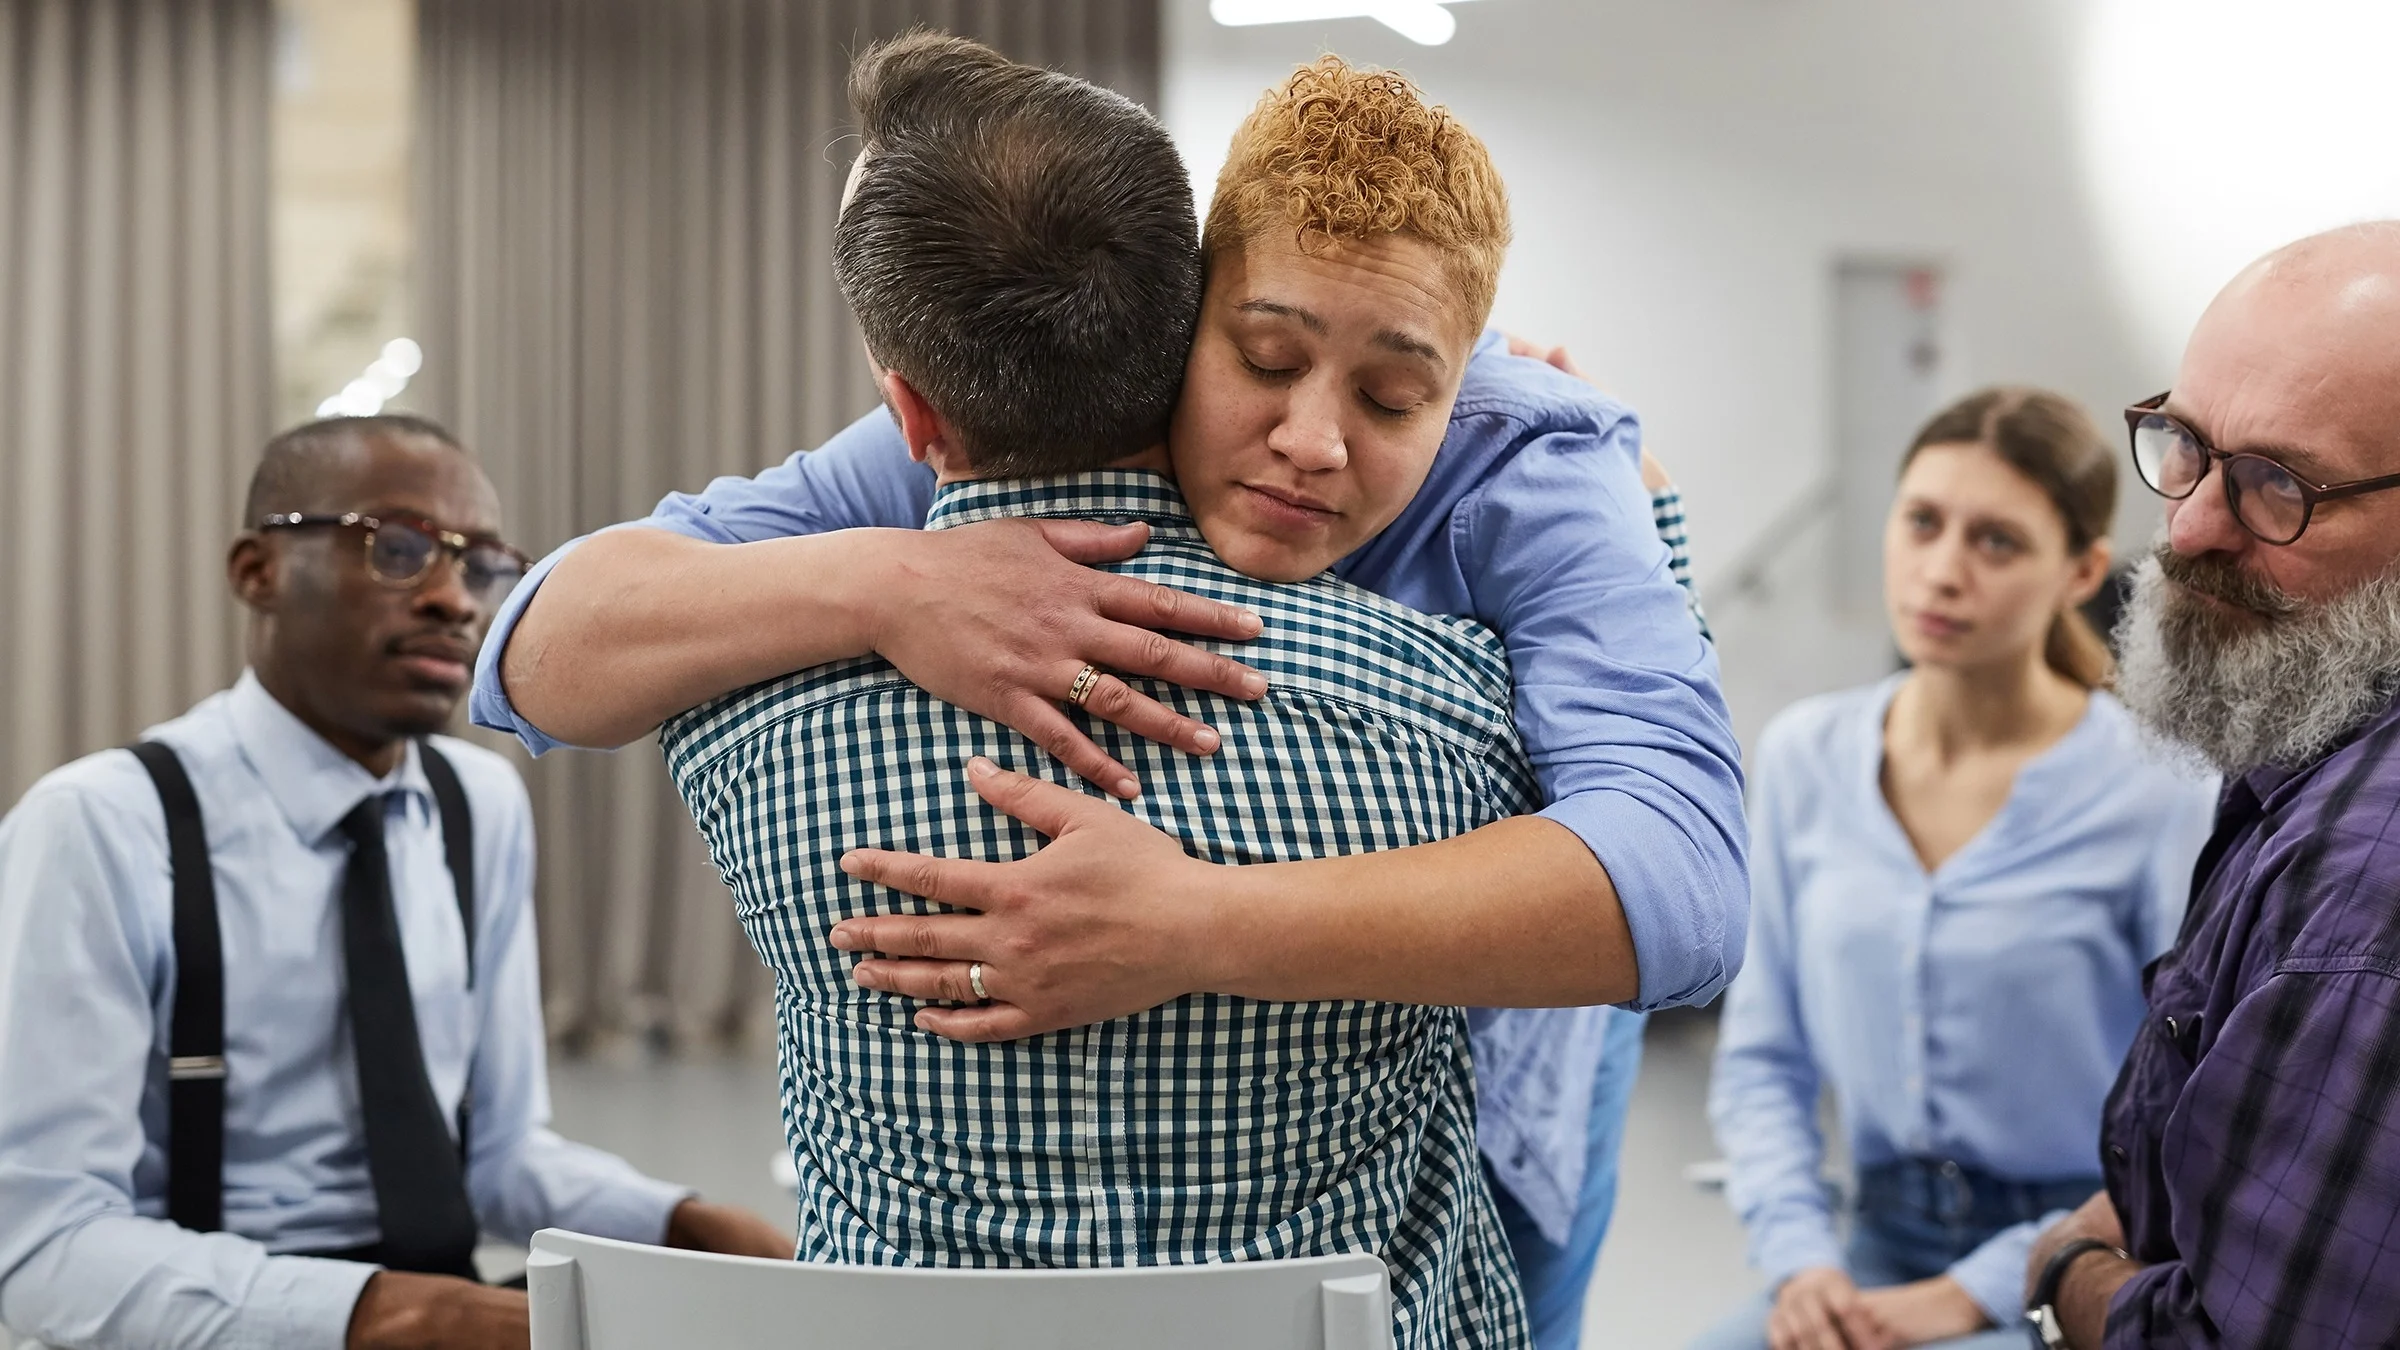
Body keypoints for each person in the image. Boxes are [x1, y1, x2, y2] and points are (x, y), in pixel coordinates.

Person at [474, 42, 1742, 1349]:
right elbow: (536, 651)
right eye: (1261, 360)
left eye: (1393, 397)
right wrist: (886, 583)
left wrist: (1196, 920)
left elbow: (1686, 884)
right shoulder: (1072, 387)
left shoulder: (1534, 465)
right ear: (1182, 313)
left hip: (1506, 1052)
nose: (1313, 439)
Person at [659, 36, 1545, 1349]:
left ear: (909, 412)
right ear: (1183, 330)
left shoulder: (733, 717)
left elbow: (568, 632)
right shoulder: (1450, 708)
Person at [0, 416, 790, 1350]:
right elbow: (44, 1250)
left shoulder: (479, 804)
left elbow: (496, 1157)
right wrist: (393, 1314)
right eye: (398, 548)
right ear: (257, 570)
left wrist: (686, 1222)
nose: (455, 600)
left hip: (440, 1296)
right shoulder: (101, 826)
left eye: (480, 564)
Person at [1695, 390, 2218, 1350]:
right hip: (1867, 1252)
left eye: (1997, 543)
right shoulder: (1809, 755)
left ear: (2081, 571)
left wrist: (1980, 1288)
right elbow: (1765, 1057)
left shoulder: (2157, 789)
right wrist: (1800, 1263)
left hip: (2082, 1259)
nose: (1942, 573)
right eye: (1923, 523)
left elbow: (2187, 1118)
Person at [2020, 223, 2400, 1348]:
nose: (2186, 528)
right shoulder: (2312, 742)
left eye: (2278, 484)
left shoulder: (2367, 895)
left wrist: (2066, 1271)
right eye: (2183, 441)